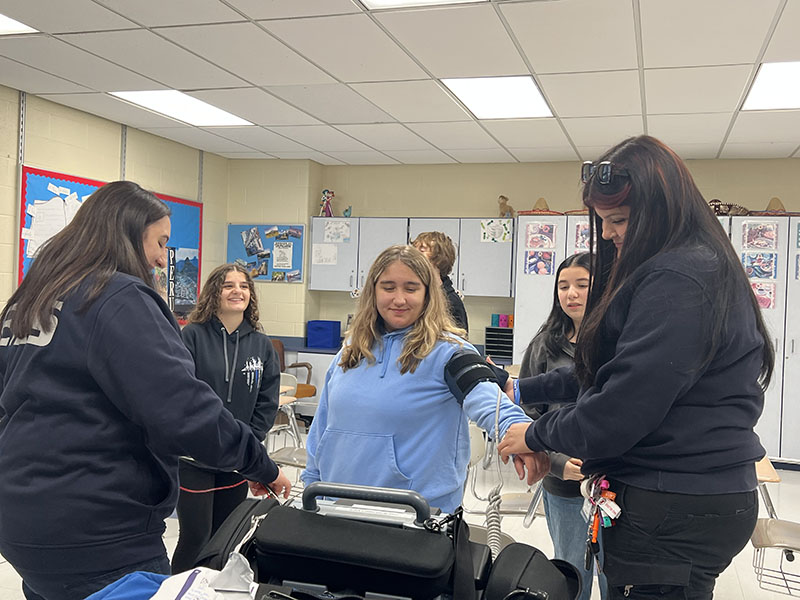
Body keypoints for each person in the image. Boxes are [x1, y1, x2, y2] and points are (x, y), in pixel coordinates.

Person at [499, 135, 773, 600]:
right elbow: (607, 370)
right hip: (690, 498)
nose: (607, 233)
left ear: (660, 212)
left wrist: (535, 434)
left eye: (620, 220)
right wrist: (523, 389)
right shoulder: (698, 267)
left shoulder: (677, 278)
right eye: (603, 220)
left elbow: (621, 406)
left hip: (672, 504)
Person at [0, 181, 292, 600]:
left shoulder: (33, 298)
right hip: (99, 527)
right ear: (129, 234)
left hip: (23, 518)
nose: (160, 257)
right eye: (160, 242)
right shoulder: (117, 296)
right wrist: (259, 464)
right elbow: (184, 410)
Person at [301, 244, 537, 512]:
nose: (399, 299)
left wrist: (522, 433)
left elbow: (489, 400)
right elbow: (323, 425)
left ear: (427, 295)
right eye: (388, 287)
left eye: (411, 288)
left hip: (414, 513)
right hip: (334, 502)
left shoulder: (450, 351)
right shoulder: (352, 348)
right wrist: (311, 482)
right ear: (373, 292)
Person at [171, 264, 281, 573]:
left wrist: (248, 444)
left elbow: (267, 400)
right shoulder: (192, 336)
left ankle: (211, 591)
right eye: (228, 285)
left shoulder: (261, 344)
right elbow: (182, 394)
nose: (237, 291)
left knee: (224, 539)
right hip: (194, 458)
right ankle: (179, 591)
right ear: (213, 293)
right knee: (195, 537)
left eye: (244, 286)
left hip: (235, 458)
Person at [518, 252, 606, 600]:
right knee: (572, 575)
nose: (571, 294)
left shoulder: (619, 344)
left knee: (616, 576)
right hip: (565, 485)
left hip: (615, 486)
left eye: (582, 285)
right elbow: (526, 414)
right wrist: (556, 462)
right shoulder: (545, 344)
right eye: (563, 286)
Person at [411, 231, 468, 332]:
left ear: (439, 259)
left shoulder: (451, 301)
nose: (413, 256)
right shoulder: (415, 294)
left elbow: (459, 339)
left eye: (421, 250)